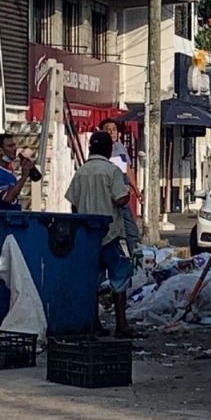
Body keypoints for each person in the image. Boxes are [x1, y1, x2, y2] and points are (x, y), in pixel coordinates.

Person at [66, 131, 138, 338]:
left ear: (90, 148)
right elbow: (120, 199)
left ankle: (94, 322)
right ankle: (121, 324)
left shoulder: (81, 171)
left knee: (92, 280)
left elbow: (73, 202)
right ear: (108, 150)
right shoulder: (112, 171)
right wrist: (128, 193)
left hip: (88, 235)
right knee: (119, 277)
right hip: (110, 232)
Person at [99, 118, 141, 255]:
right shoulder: (100, 150)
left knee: (132, 232)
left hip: (122, 196)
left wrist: (137, 190)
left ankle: (136, 262)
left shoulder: (120, 147)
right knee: (110, 234)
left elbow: (127, 169)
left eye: (114, 130)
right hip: (108, 198)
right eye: (108, 130)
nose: (111, 132)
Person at [0, 134, 35, 211]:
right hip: (3, 220)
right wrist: (24, 177)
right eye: (10, 146)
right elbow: (8, 198)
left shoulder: (8, 173)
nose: (14, 149)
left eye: (14, 145)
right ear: (0, 150)